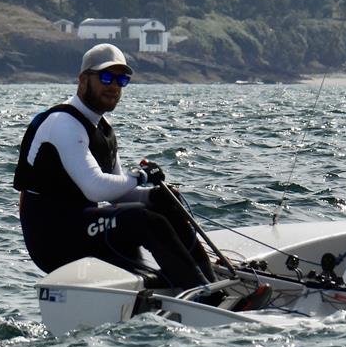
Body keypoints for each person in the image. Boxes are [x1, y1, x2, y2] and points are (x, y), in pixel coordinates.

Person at [14, 43, 217, 291]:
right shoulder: (64, 123)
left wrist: (154, 195)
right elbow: (96, 189)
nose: (113, 86)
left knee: (165, 201)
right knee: (143, 221)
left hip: (81, 225)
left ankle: (209, 282)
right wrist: (140, 177)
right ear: (82, 80)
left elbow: (117, 192)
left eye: (121, 79)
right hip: (53, 239)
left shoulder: (103, 128)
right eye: (106, 77)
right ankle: (200, 292)